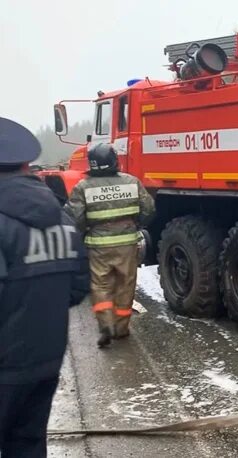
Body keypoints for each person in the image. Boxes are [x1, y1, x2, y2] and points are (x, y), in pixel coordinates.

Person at [0, 117, 89, 457]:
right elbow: (78, 287)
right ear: (25, 164)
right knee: (28, 444)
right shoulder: (62, 219)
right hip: (46, 361)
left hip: (5, 365)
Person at [65, 143, 154, 348]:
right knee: (126, 283)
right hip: (127, 244)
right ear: (114, 160)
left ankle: (105, 325)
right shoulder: (132, 182)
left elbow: (75, 219)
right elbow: (148, 209)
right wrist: (136, 224)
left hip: (98, 246)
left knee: (101, 285)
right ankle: (121, 329)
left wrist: (83, 235)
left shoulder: (83, 187)